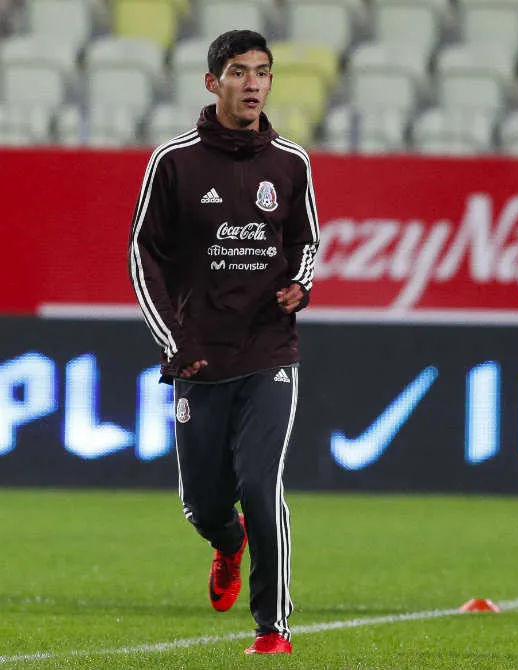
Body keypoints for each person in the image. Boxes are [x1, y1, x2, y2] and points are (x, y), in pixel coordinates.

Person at [128, 30, 319, 654]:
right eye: (239, 72)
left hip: (269, 350)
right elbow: (142, 253)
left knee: (263, 485)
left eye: (263, 72)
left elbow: (305, 243)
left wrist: (298, 285)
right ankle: (226, 542)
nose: (254, 83)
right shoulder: (174, 161)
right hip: (200, 355)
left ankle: (273, 630)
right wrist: (171, 339)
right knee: (203, 505)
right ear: (213, 83)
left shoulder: (291, 163)